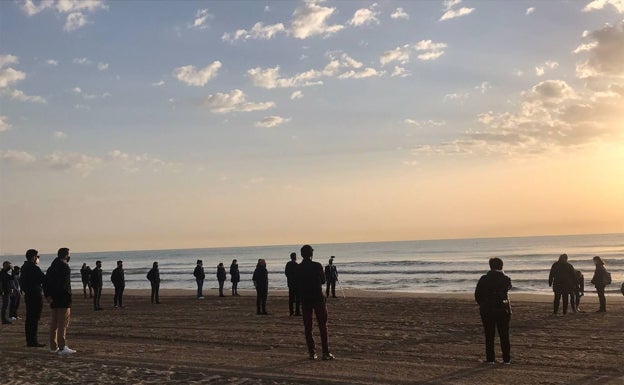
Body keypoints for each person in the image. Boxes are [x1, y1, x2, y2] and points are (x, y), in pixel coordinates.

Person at [297, 245, 334, 360]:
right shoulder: (317, 266)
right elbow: (323, 280)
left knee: (308, 327)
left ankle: (312, 352)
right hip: (318, 298)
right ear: (311, 254)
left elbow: (297, 283)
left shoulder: (298, 268)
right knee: (322, 325)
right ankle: (325, 352)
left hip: (305, 299)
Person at [475, 257, 512, 364]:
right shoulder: (505, 278)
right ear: (501, 266)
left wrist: (483, 304)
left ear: (490, 266)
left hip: (487, 310)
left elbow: (477, 295)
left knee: (489, 335)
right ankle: (506, 359)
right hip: (502, 310)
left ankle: (490, 358)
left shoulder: (483, 279)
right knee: (504, 335)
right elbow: (509, 287)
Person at [43, 247, 76, 355]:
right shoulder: (65, 267)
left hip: (53, 299)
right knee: (63, 323)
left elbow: (46, 283)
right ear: (66, 255)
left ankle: (54, 346)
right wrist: (68, 297)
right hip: (63, 299)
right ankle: (62, 347)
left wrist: (48, 295)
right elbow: (65, 285)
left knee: (55, 323)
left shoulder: (51, 267)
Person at [20, 249, 46, 347]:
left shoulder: (24, 267)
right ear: (34, 257)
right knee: (34, 318)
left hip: (29, 294)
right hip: (35, 294)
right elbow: (43, 279)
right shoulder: (33, 268)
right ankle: (33, 341)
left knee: (30, 318)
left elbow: (22, 282)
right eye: (37, 257)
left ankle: (30, 340)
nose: (38, 259)